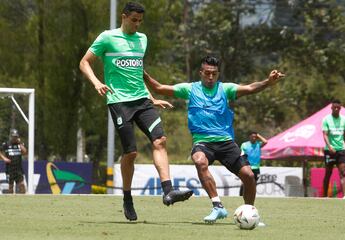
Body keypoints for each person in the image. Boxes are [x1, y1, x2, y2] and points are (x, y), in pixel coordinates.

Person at [79, 2, 193, 221]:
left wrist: (152, 98)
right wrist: (96, 82)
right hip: (119, 101)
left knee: (160, 140)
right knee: (131, 152)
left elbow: (137, 71)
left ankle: (168, 191)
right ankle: (127, 198)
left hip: (142, 101)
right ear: (123, 17)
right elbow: (84, 63)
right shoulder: (107, 37)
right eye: (134, 20)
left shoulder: (143, 39)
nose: (137, 24)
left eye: (140, 21)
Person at [144, 56, 285, 223]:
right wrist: (143, 73)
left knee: (248, 176)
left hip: (226, 142)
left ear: (218, 74)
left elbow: (250, 88)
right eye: (207, 73)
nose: (210, 77)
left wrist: (268, 82)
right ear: (201, 73)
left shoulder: (226, 89)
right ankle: (218, 206)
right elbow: (159, 88)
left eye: (214, 74)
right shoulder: (190, 89)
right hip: (203, 142)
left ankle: (250, 213)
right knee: (199, 160)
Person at [322, 99, 345, 199]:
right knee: (328, 173)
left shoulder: (344, 120)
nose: (337, 109)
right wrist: (329, 147)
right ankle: (324, 196)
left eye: (338, 107)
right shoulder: (326, 119)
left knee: (343, 173)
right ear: (331, 108)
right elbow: (324, 135)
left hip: (341, 150)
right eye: (335, 107)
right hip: (329, 151)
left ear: (340, 108)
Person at [239, 131, 267, 196]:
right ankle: (240, 196)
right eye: (252, 137)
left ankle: (250, 196)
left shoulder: (258, 144)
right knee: (244, 182)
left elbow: (265, 142)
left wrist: (258, 135)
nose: (254, 138)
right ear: (249, 137)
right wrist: (244, 165)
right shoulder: (244, 145)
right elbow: (242, 156)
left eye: (255, 137)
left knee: (254, 183)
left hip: (256, 168)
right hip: (247, 167)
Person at [0, 129, 27, 194]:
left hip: (18, 169)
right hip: (9, 169)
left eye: (16, 136)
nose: (15, 138)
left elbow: (25, 152)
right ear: (10, 136)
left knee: (22, 185)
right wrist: (4, 158)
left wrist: (20, 143)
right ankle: (11, 201)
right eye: (13, 136)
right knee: (10, 186)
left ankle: (24, 200)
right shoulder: (6, 144)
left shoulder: (20, 144)